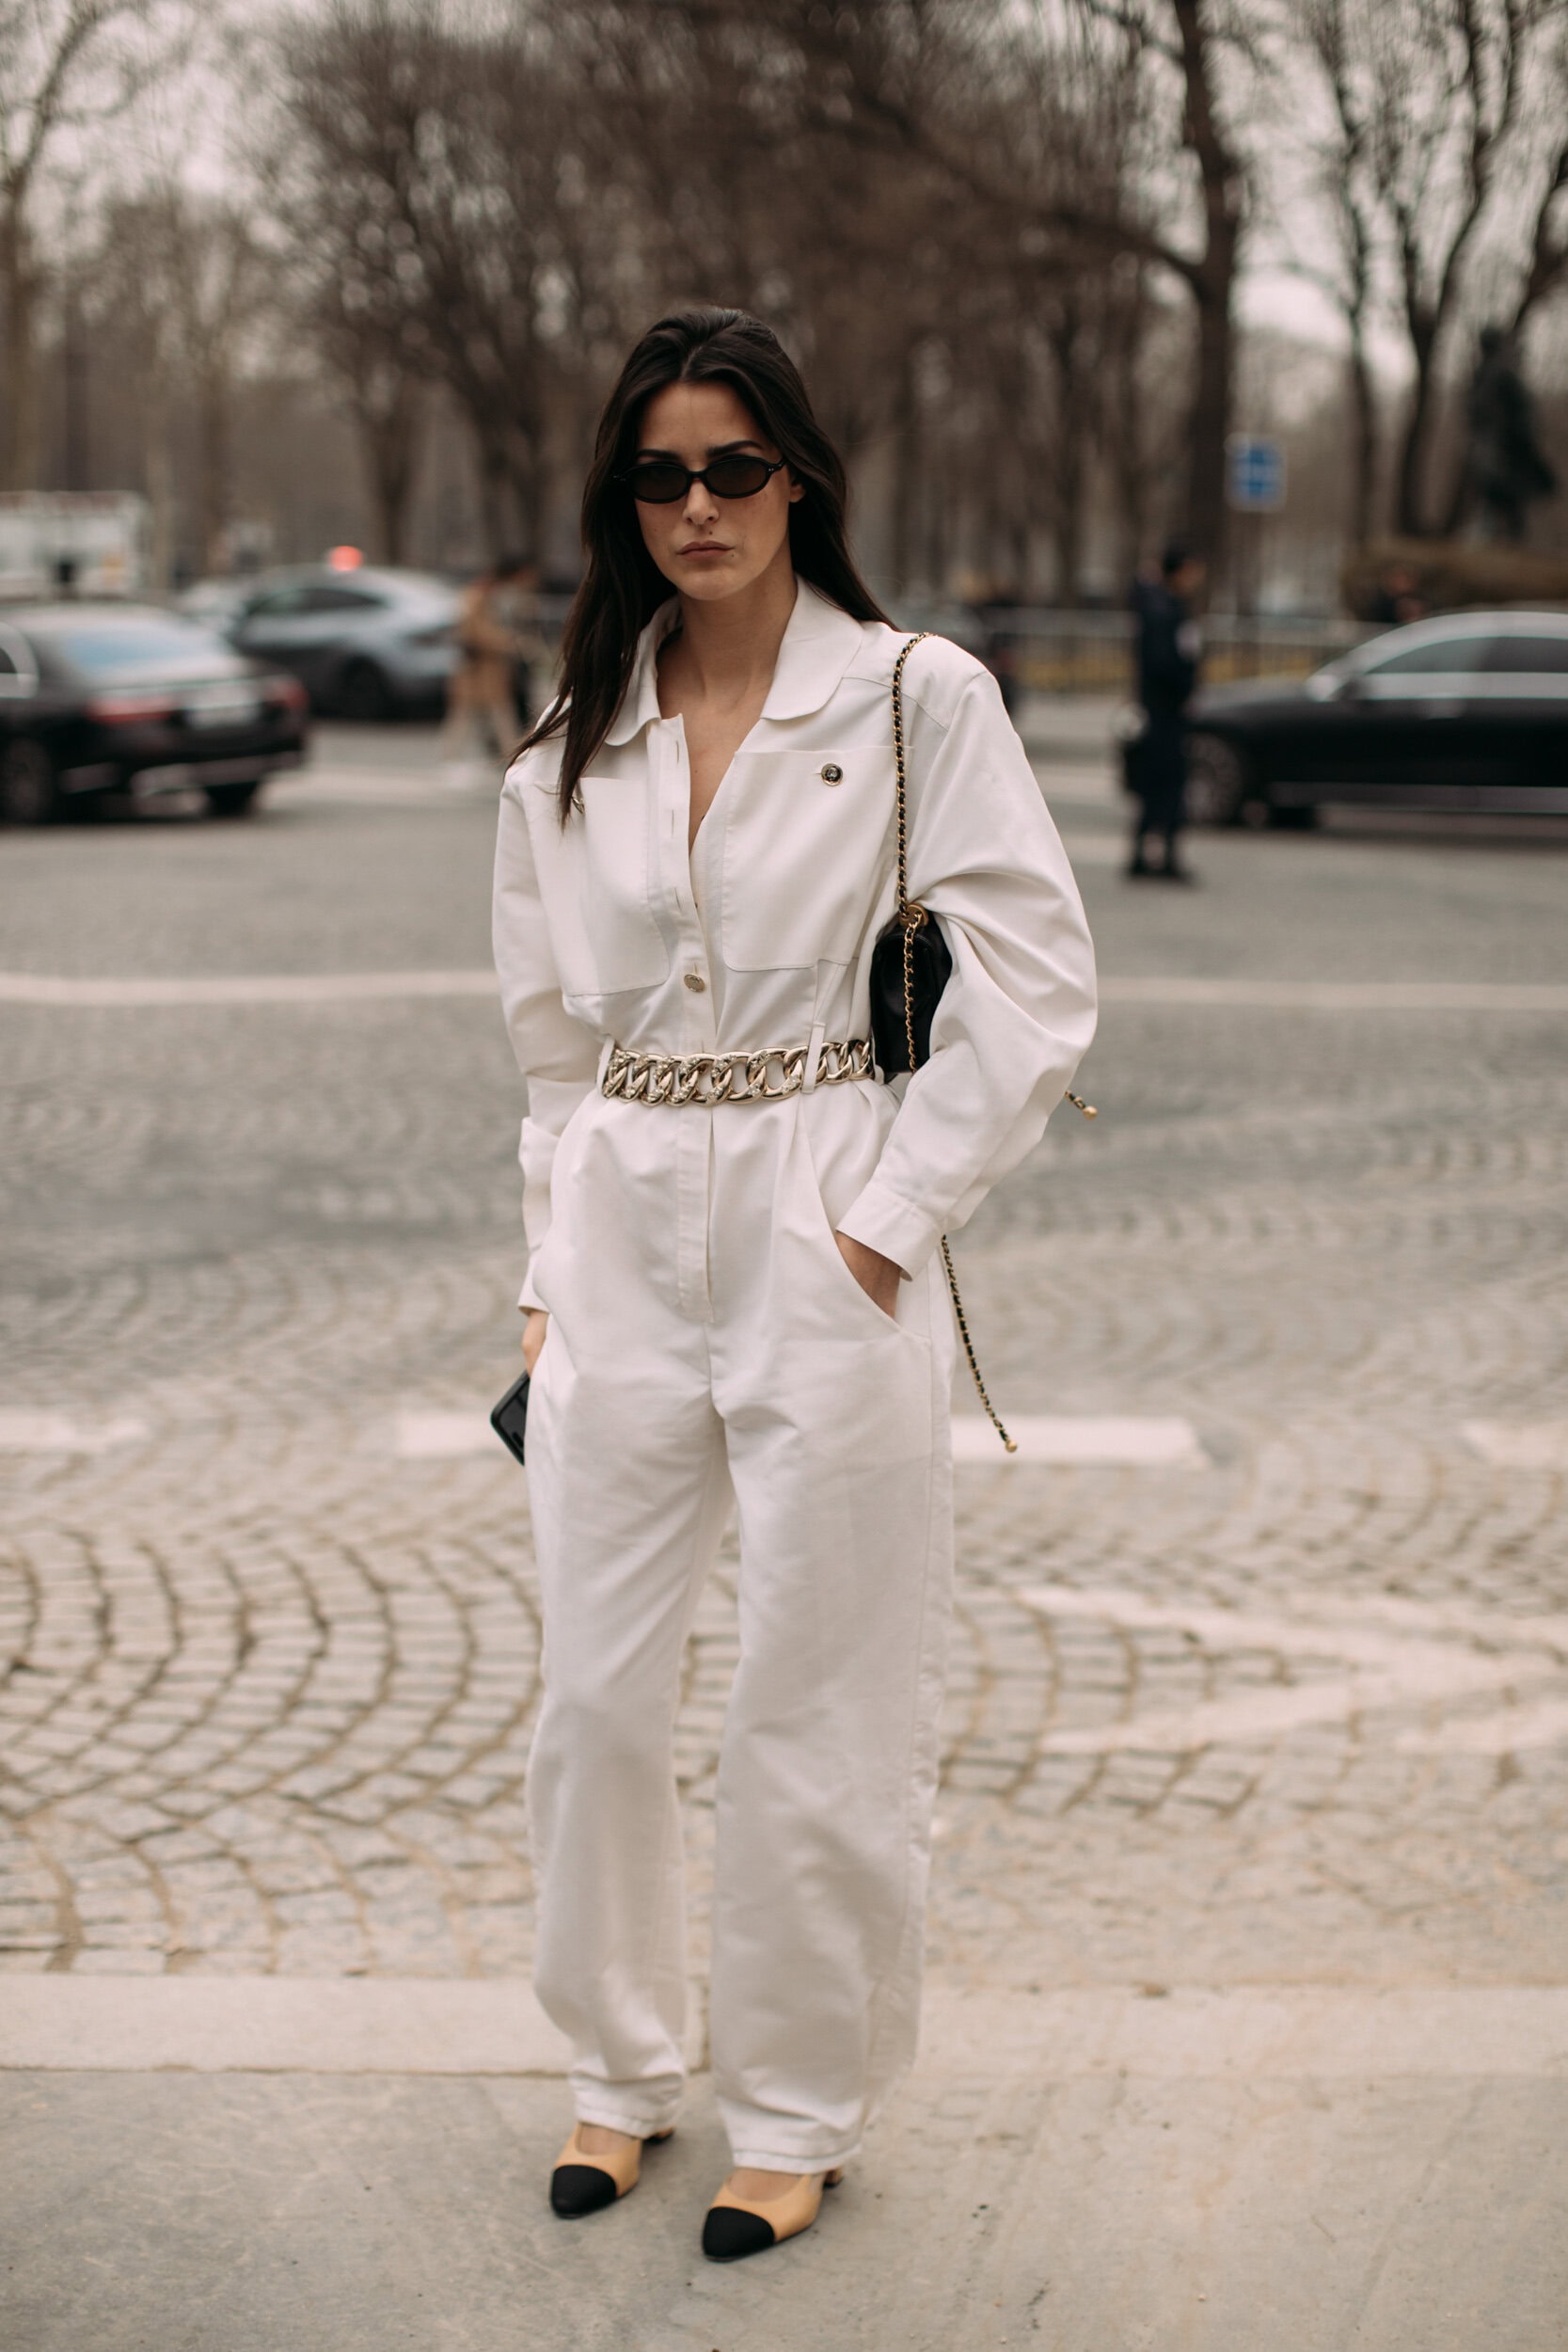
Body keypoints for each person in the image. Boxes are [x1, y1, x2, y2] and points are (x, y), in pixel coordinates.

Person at [492, 308, 1096, 2264]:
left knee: (808, 1699)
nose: (695, 505)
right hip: (617, 1232)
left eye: (730, 466)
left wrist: (881, 1216)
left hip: (822, 1206)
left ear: (797, 478)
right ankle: (618, 2060)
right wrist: (537, 1280)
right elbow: (544, 1048)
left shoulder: (917, 696)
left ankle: (794, 2105)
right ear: (620, 497)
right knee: (591, 1691)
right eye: (657, 472)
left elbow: (1034, 982)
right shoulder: (564, 744)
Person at [1127, 544, 1205, 881]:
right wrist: (1182, 691)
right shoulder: (1164, 610)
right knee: (1165, 782)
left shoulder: (1163, 605)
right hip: (1164, 712)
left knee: (1158, 782)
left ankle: (1149, 852)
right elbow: (1165, 663)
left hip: (1162, 709)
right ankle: (1159, 854)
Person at [441, 553, 532, 783]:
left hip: (488, 669)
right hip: (477, 668)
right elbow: (475, 631)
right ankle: (452, 760)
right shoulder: (478, 596)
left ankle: (513, 760)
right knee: (471, 716)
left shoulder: (491, 596)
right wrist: (508, 643)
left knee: (495, 715)